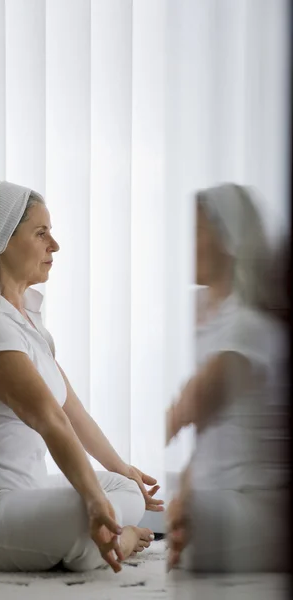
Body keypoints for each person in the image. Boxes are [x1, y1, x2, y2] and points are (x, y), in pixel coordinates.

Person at [0, 181, 163, 573]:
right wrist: (93, 503)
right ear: (0, 241)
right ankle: (117, 539)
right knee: (91, 512)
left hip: (18, 495)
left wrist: (120, 468)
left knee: (124, 490)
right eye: (41, 233)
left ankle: (96, 536)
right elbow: (49, 418)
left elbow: (72, 410)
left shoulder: (25, 323)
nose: (54, 245)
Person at [165, 183, 290, 573]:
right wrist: (184, 495)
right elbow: (204, 438)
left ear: (229, 239)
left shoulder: (250, 324)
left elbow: (193, 404)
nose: (185, 241)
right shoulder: (209, 316)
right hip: (222, 496)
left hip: (260, 506)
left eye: (197, 230)